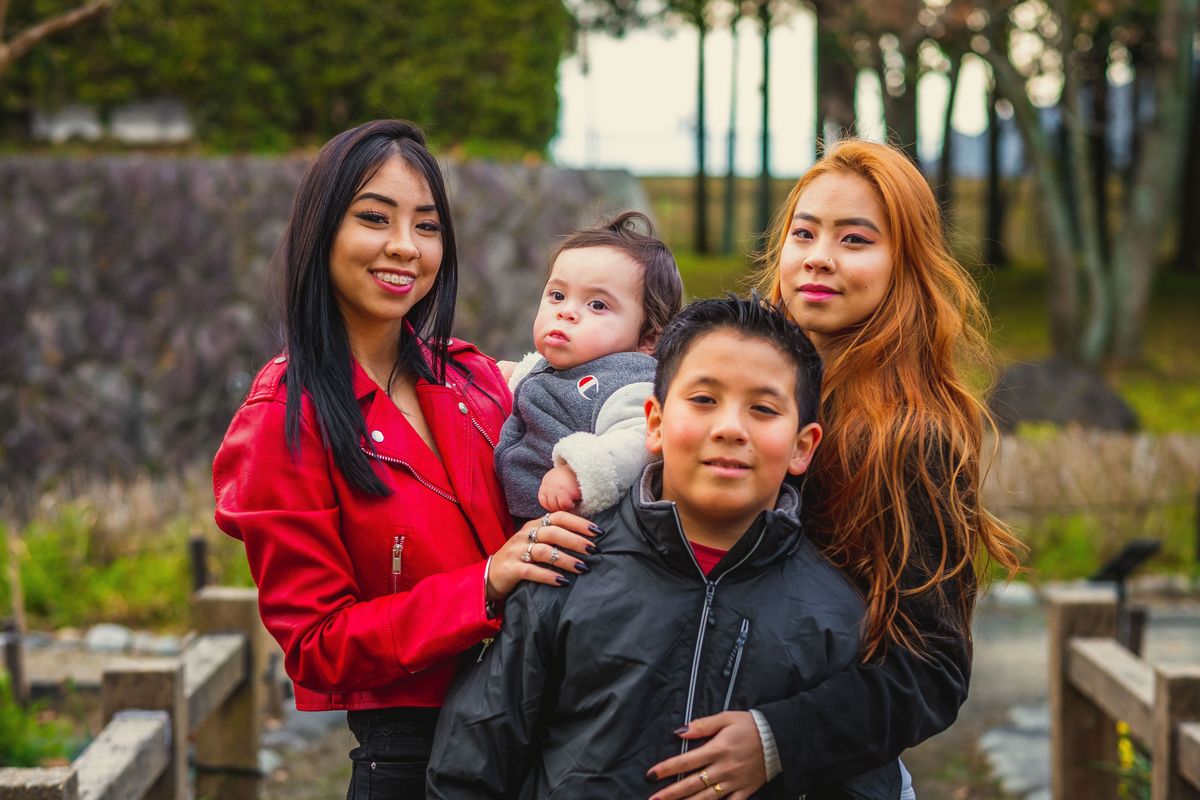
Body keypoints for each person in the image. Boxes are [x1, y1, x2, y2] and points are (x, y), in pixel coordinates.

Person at [211, 119, 600, 799]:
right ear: (321, 229)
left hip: (548, 741)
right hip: (413, 762)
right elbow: (317, 644)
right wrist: (484, 583)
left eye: (427, 226)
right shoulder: (284, 417)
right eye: (374, 218)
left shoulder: (475, 378)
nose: (404, 247)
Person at [643, 139, 1024, 800]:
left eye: (855, 239)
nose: (819, 257)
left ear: (903, 264)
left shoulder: (910, 438)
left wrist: (776, 740)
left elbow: (931, 670)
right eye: (805, 233)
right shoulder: (726, 393)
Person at [428, 296, 903, 799]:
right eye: (703, 400)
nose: (729, 428)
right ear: (653, 423)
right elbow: (471, 763)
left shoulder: (835, 612)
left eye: (763, 409)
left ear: (802, 446)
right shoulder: (566, 566)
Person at [495, 210, 684, 519]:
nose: (567, 312)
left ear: (648, 337)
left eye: (597, 305)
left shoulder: (629, 384)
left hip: (589, 535)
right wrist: (514, 374)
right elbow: (547, 382)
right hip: (530, 525)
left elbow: (641, 440)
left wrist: (579, 472)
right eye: (557, 295)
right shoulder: (560, 365)